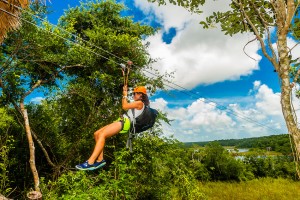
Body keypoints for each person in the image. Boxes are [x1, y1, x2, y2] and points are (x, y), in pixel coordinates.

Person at [75, 85, 150, 170]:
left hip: (125, 123)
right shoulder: (137, 103)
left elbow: (124, 106)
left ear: (141, 95)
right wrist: (124, 94)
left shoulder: (140, 103)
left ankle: (90, 162)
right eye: (133, 93)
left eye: (135, 93)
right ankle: (100, 160)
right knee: (96, 134)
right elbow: (125, 105)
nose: (133, 95)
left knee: (102, 135)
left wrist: (125, 95)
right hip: (122, 120)